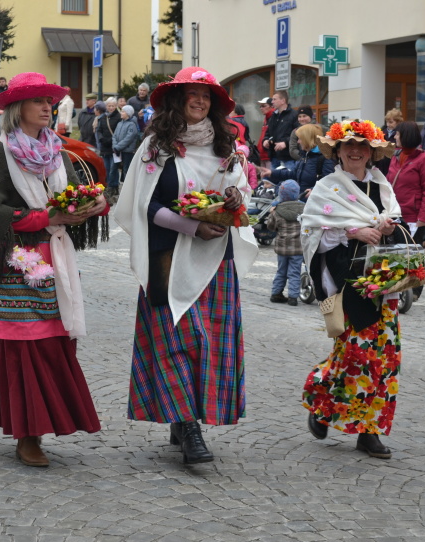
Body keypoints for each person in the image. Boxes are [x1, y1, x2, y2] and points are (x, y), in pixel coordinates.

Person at [114, 66, 258, 465]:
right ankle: (188, 425)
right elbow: (145, 206)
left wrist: (232, 201)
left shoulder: (224, 149)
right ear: (176, 100)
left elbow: (239, 193)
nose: (199, 100)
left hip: (216, 262)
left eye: (206, 96)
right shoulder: (155, 148)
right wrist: (191, 226)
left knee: (207, 342)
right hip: (167, 257)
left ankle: (185, 419)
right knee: (175, 341)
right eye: (192, 94)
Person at [0, 72, 109, 467]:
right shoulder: (0, 154)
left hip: (59, 258)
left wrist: (95, 206)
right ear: (18, 110)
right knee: (26, 344)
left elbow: (83, 192)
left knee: (56, 341)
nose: (48, 108)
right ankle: (28, 434)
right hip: (19, 261)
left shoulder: (59, 153)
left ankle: (35, 424)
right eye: (39, 102)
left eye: (50, 101)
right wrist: (45, 215)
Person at [299, 119, 403, 459]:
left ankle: (369, 431)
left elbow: (394, 220)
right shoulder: (326, 188)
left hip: (383, 281)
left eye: (363, 146)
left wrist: (385, 226)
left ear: (371, 152)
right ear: (338, 152)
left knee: (384, 359)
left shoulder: (381, 185)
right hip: (348, 282)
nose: (356, 151)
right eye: (349, 146)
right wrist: (351, 232)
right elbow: (312, 233)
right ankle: (321, 398)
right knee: (355, 355)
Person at [387, 121, 425, 246]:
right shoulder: (395, 156)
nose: (395, 137)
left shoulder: (424, 159)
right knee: (393, 258)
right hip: (394, 215)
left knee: (411, 259)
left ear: (406, 136)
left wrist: (422, 219)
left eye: (397, 134)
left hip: (413, 218)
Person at [261, 123, 333, 200]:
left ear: (307, 139)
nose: (298, 142)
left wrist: (313, 190)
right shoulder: (305, 156)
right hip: (301, 198)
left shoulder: (325, 158)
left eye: (300, 138)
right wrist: (272, 173)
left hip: (313, 201)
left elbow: (329, 181)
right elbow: (294, 174)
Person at [266, 180, 305, 305]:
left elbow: (270, 227)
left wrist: (272, 214)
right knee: (295, 272)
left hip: (282, 248)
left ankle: (276, 293)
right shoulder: (304, 209)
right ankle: (293, 297)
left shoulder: (277, 210)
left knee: (281, 271)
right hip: (298, 248)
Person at [262, 90, 298, 171]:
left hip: (288, 158)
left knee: (287, 182)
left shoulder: (294, 115)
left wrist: (286, 143)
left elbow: (298, 134)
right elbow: (268, 133)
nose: (272, 102)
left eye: (274, 99)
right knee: (272, 182)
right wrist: (266, 140)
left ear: (283, 101)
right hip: (274, 157)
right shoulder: (273, 116)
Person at [96, 97, 121, 195]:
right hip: (104, 147)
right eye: (109, 106)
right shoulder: (103, 117)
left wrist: (110, 140)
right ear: (106, 106)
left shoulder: (118, 117)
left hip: (114, 147)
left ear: (116, 106)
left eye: (113, 106)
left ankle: (113, 186)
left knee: (113, 169)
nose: (111, 108)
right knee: (107, 168)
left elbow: (119, 132)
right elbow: (99, 130)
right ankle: (112, 186)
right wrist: (101, 139)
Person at [112, 104, 139, 183]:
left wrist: (118, 147)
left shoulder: (132, 125)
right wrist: (115, 147)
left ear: (128, 113)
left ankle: (127, 186)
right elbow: (114, 136)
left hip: (127, 151)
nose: (121, 113)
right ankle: (113, 186)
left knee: (126, 169)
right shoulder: (119, 123)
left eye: (123, 111)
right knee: (113, 169)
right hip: (117, 150)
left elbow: (128, 139)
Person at [256, 97, 273, 164]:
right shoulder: (266, 118)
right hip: (263, 154)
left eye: (264, 106)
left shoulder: (274, 118)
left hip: (269, 155)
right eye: (260, 106)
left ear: (271, 106)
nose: (261, 108)